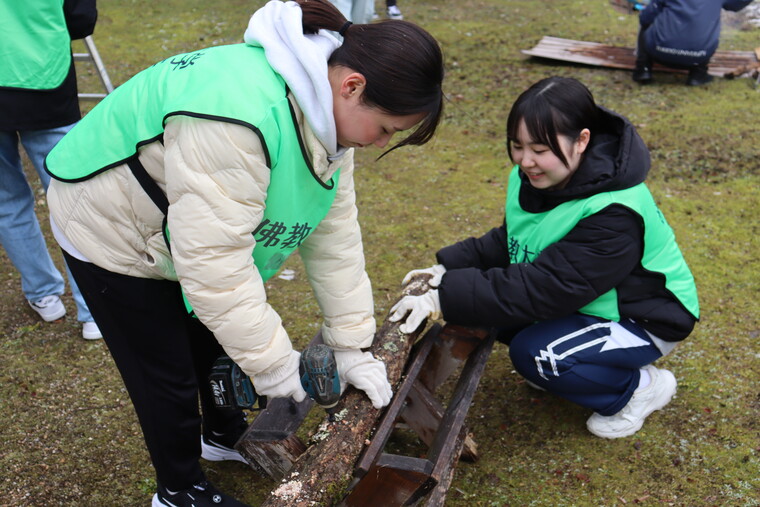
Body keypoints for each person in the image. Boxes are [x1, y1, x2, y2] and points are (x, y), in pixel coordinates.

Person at [44, 0, 444, 504]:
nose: (379, 142)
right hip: (110, 222)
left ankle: (222, 433)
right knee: (164, 369)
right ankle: (178, 490)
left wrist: (350, 345)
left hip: (176, 222)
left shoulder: (327, 120)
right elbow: (215, 266)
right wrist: (276, 367)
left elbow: (334, 236)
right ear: (353, 86)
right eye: (386, 129)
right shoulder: (240, 116)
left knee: (211, 335)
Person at [389, 76, 699, 440]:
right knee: (497, 316)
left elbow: (548, 289)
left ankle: (638, 388)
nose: (526, 161)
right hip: (586, 300)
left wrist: (444, 296)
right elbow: (513, 241)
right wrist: (447, 268)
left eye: (540, 149)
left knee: (538, 355)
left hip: (642, 317)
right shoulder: (539, 179)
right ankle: (578, 366)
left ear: (582, 140)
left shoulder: (615, 211)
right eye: (517, 146)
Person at [0, 0, 102, 340]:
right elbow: (81, 19)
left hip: (38, 77)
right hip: (43, 76)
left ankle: (43, 293)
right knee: (73, 199)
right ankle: (93, 310)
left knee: (6, 201)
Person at [632, 0, 755, 85]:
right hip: (698, 56)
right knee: (709, 29)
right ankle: (698, 75)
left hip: (659, 52)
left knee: (647, 24)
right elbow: (735, 6)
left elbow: (646, 18)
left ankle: (643, 70)